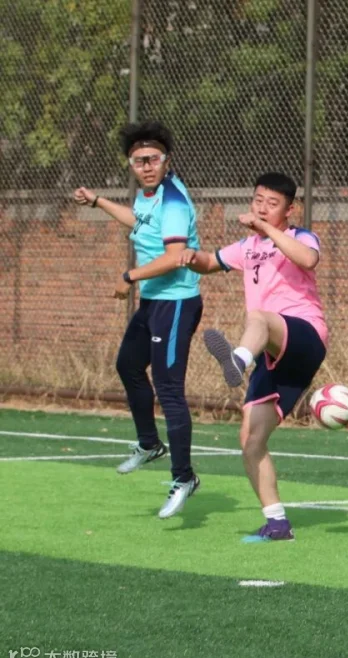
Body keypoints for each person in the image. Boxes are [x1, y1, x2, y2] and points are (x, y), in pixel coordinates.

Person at [181, 172, 327, 543]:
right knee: (250, 438)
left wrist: (266, 228)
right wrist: (190, 257)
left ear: (289, 210)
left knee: (259, 316)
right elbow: (209, 262)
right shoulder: (247, 247)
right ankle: (277, 523)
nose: (262, 208)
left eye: (272, 204)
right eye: (258, 200)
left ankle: (238, 360)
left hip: (305, 335)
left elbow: (309, 260)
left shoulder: (300, 236)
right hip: (270, 353)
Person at [73, 121, 203, 518]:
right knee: (128, 365)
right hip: (152, 302)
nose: (146, 166)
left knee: (169, 389)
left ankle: (184, 478)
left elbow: (174, 257)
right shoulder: (149, 196)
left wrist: (129, 277)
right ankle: (149, 444)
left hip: (175, 303)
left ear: (167, 160)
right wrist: (98, 201)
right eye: (138, 161)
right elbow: (138, 221)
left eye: (152, 159)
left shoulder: (174, 199)